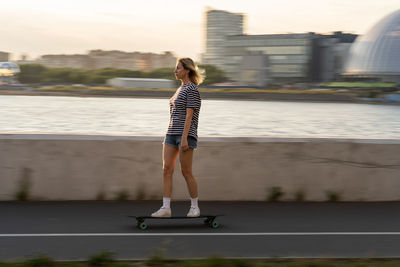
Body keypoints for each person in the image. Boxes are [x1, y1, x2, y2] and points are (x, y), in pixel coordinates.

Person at [151, 58, 203, 218]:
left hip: (185, 135)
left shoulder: (192, 89)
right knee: (167, 170)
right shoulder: (180, 89)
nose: (175, 71)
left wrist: (185, 138)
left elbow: (190, 115)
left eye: (178, 68)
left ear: (187, 70)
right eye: (176, 68)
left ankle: (195, 207)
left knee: (186, 171)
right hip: (171, 134)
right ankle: (166, 208)